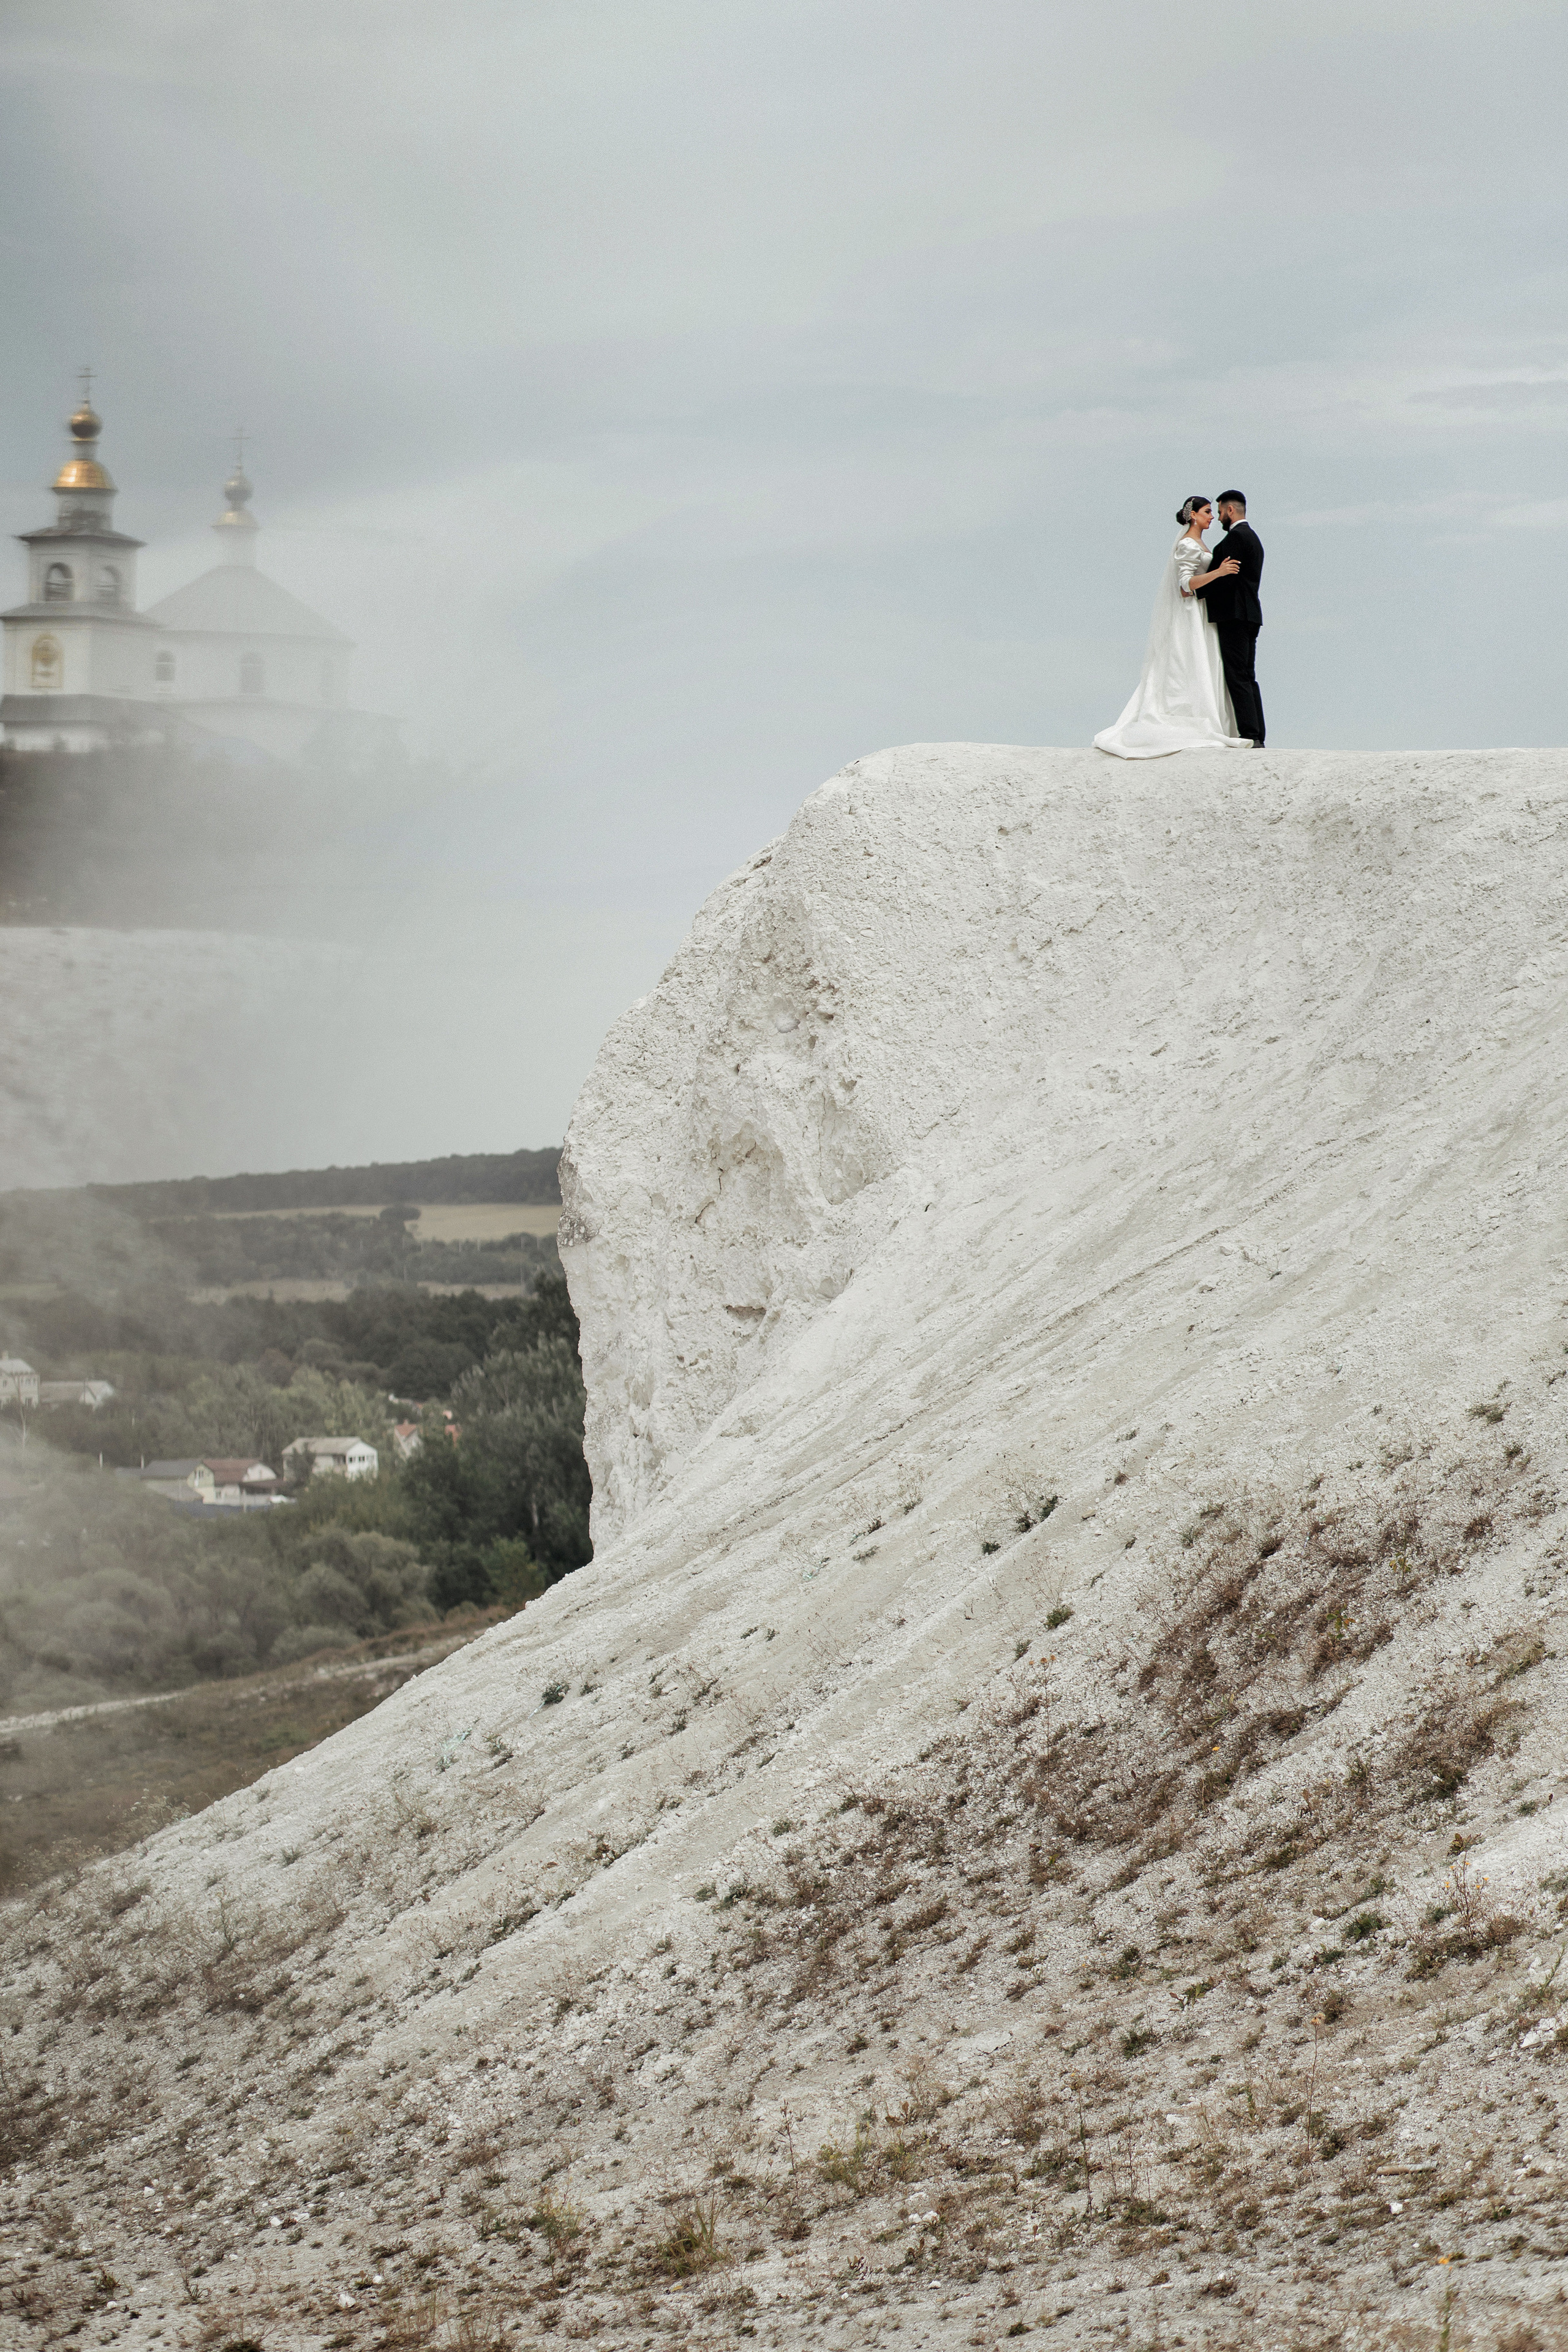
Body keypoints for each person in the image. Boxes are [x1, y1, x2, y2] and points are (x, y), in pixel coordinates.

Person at [1093, 499, 1251, 760]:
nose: (1212, 516)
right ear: (1194, 517)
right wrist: (1219, 573)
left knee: (1206, 662)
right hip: (1189, 613)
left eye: (1213, 512)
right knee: (1187, 662)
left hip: (1202, 612)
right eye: (1207, 512)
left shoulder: (1200, 542)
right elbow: (1185, 585)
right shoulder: (1188, 544)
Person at [1190, 491, 1264, 748]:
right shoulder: (1253, 538)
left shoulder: (1235, 539)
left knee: (1237, 676)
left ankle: (1250, 735)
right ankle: (1258, 735)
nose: (1218, 516)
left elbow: (1226, 577)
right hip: (1251, 614)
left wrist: (1195, 591)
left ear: (1230, 511)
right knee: (1248, 675)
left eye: (1220, 511)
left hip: (1234, 615)